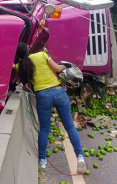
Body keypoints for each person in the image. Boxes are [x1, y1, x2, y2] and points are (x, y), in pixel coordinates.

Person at [14, 42, 86, 173]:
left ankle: (42, 161)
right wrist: (67, 65)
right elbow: (58, 69)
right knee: (69, 126)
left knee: (44, 129)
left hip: (43, 96)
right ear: (28, 48)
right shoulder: (42, 55)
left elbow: (12, 67)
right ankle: (80, 157)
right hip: (58, 92)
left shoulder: (20, 66)